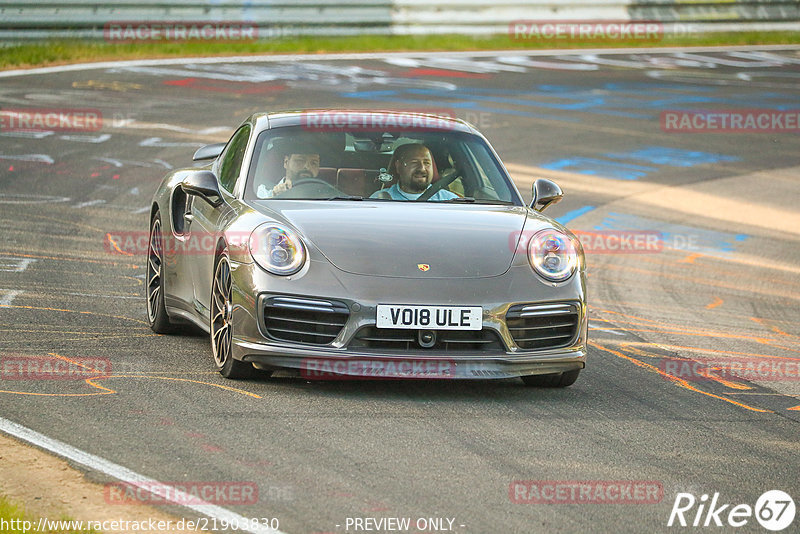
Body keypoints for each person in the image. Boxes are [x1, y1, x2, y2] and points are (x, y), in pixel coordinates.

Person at [370, 143, 458, 201]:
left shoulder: (449, 201)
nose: (422, 169)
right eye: (414, 163)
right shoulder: (378, 200)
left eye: (427, 163)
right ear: (398, 166)